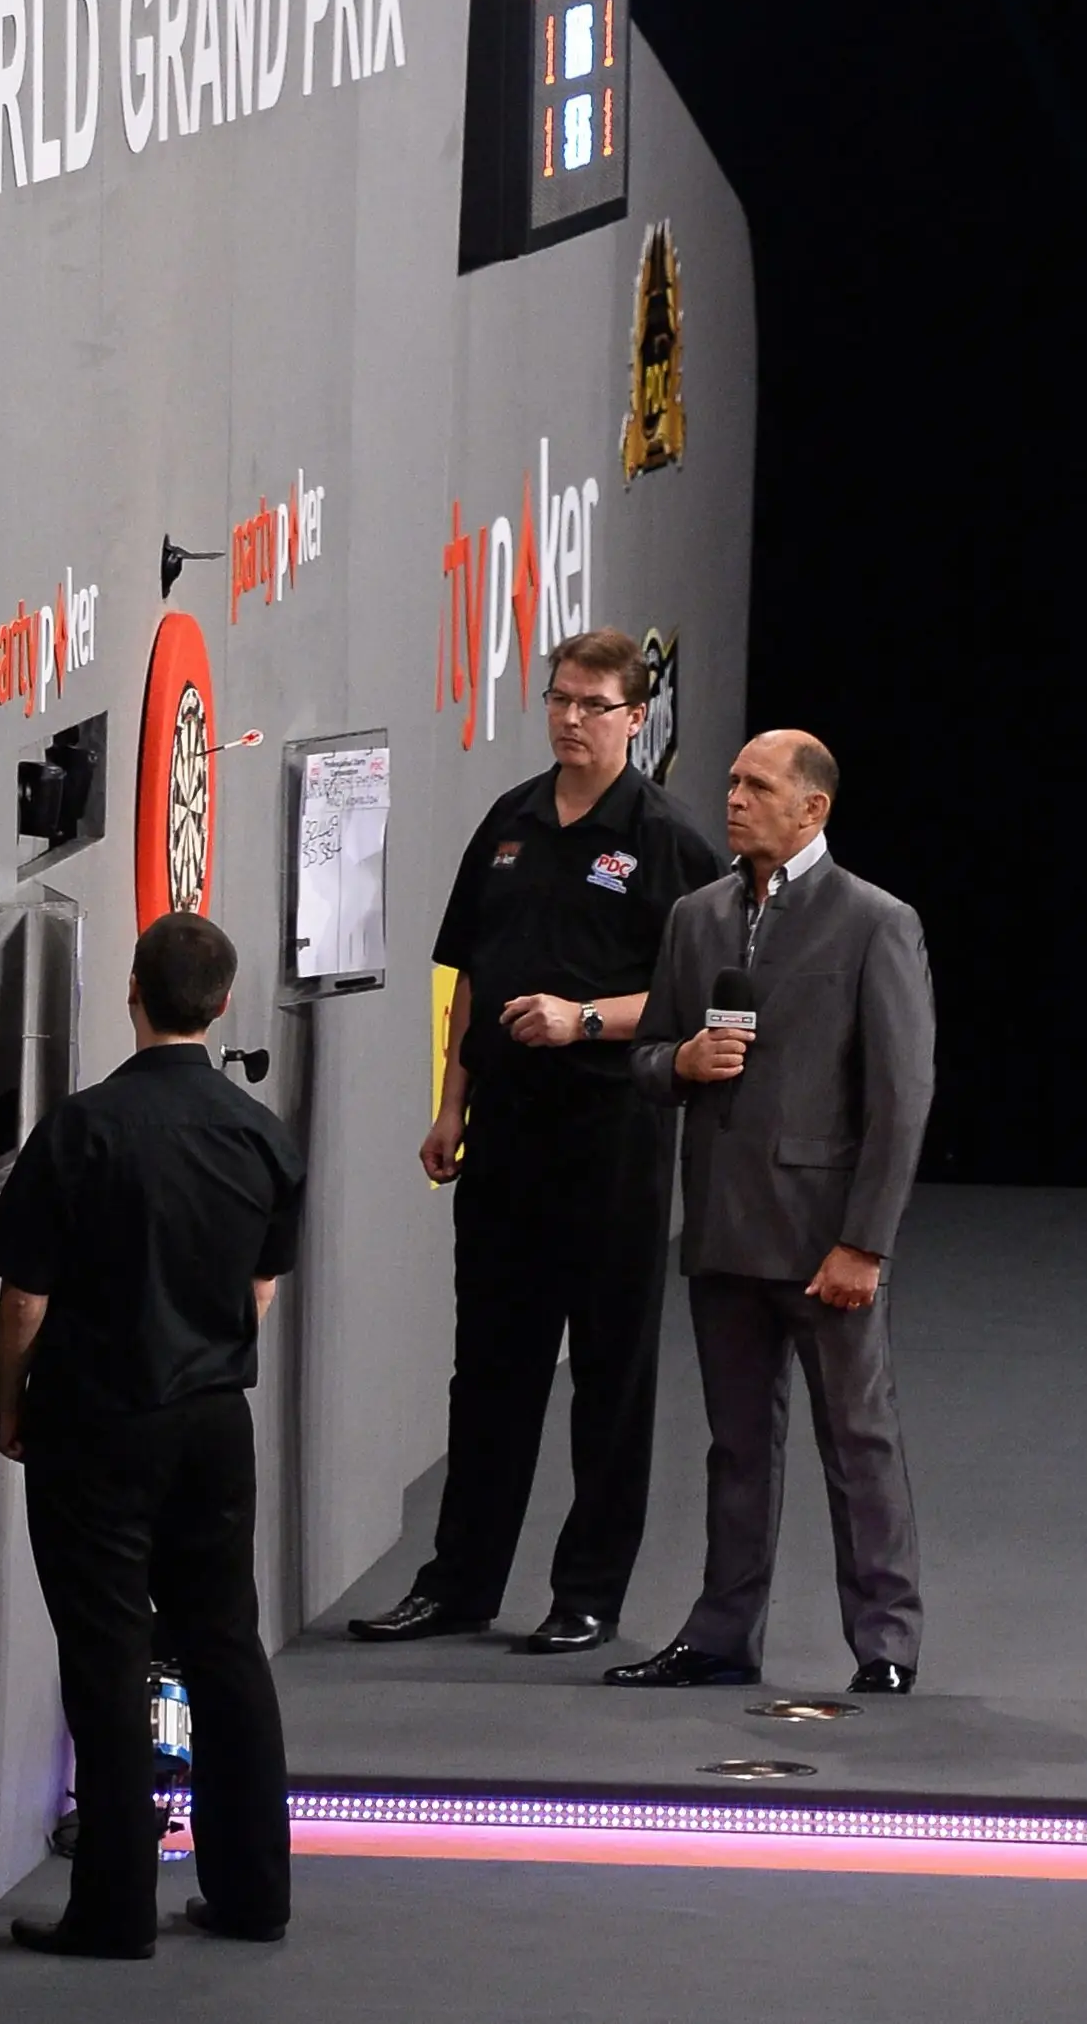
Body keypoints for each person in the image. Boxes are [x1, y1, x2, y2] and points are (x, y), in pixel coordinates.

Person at [353, 628, 724, 1655]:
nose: (568, 717)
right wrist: (450, 1100)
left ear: (633, 718)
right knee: (491, 1366)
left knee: (608, 1370)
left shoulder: (664, 839)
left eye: (590, 704)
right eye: (558, 698)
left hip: (612, 1132)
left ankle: (589, 1592)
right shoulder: (509, 820)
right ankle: (459, 1582)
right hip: (506, 1134)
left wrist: (585, 1018)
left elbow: (695, 995)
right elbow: (468, 965)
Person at [0, 911, 303, 1961]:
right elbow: (261, 1280)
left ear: (133, 994)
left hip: (98, 1421)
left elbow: (24, 1295)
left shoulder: (81, 1128)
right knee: (225, 1645)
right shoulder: (260, 1131)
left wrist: (11, 1403)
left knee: (108, 1655)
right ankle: (252, 1890)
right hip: (214, 1423)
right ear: (223, 1003)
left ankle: (113, 1907)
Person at [606, 729, 937, 1696]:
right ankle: (721, 1635)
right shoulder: (695, 918)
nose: (735, 797)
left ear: (812, 809)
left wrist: (865, 1243)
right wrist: (678, 1063)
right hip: (722, 1229)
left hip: (825, 1236)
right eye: (732, 781)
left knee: (857, 1440)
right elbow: (650, 1053)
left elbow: (902, 1094)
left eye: (757, 785)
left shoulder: (877, 921)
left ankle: (885, 1641)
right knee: (736, 1446)